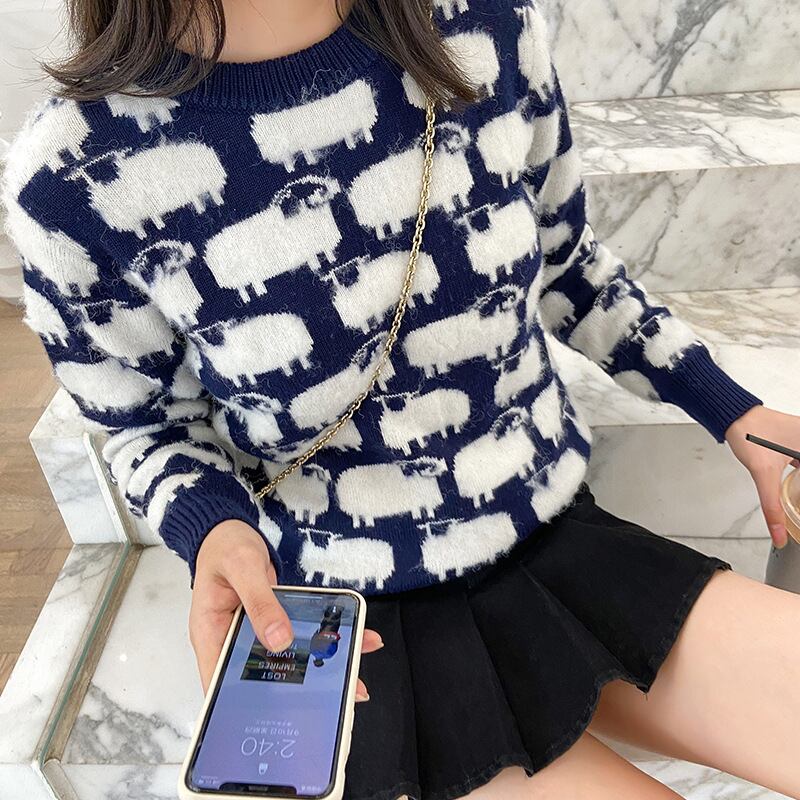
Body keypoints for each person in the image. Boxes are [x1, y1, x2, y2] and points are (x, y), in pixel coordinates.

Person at [3, 1, 800, 797]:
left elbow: (568, 264)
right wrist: (214, 530)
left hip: (553, 538)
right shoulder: (70, 176)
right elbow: (146, 426)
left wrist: (733, 410)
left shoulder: (486, 27)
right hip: (349, 623)